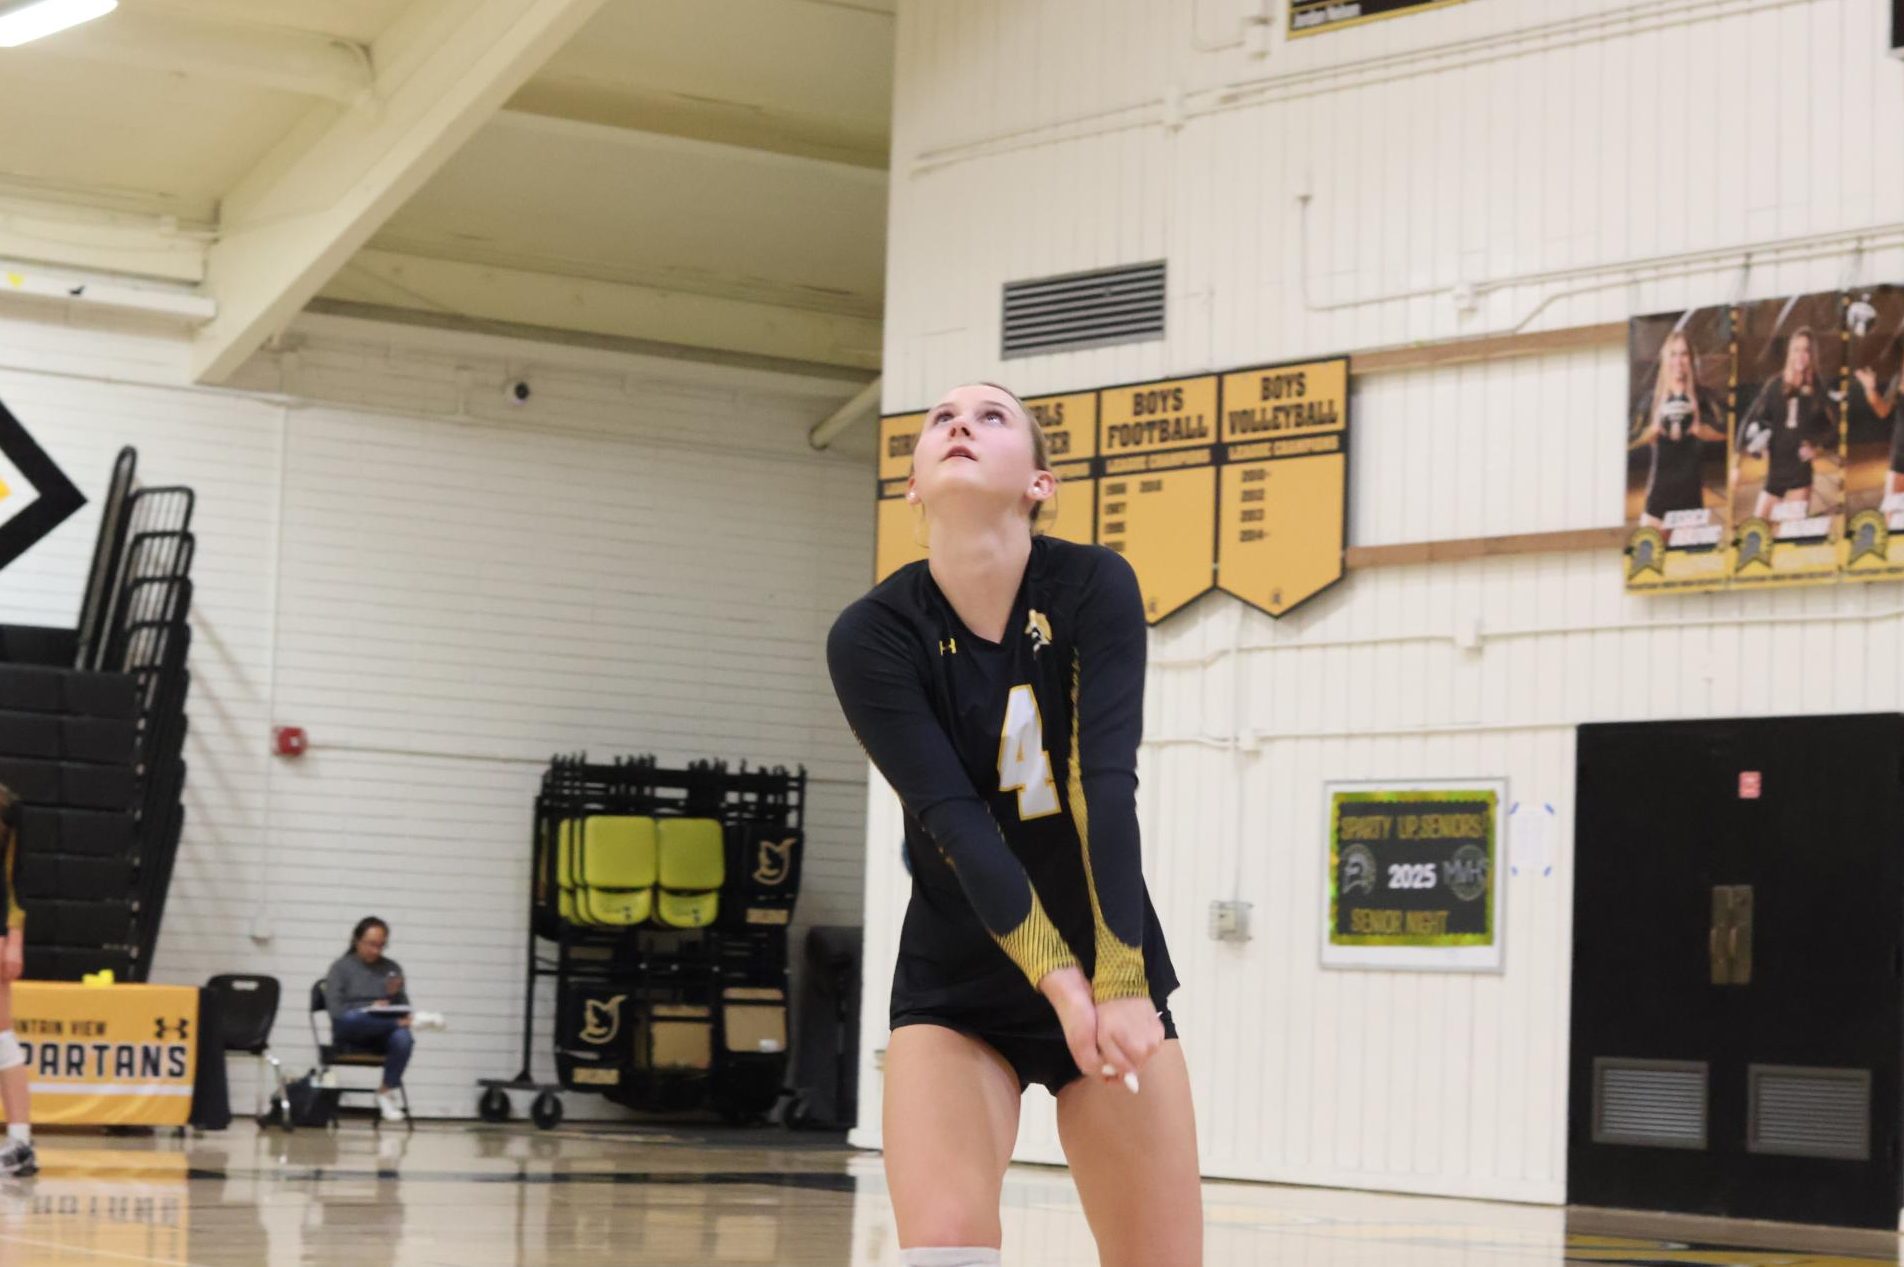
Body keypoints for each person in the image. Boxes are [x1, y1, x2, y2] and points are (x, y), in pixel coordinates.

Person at [827, 383, 1202, 1267]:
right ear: (912, 487)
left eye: (991, 416)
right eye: (940, 420)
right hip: (959, 976)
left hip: (1110, 954)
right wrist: (1063, 990)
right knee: (948, 1246)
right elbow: (956, 825)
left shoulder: (1092, 585)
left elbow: (1103, 787)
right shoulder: (872, 634)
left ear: (1040, 481)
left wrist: (1115, 979)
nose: (959, 423)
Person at [324, 918, 442, 1123]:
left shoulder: (391, 968)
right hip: (351, 1033)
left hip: (381, 1035)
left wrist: (394, 996)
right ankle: (407, 1023)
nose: (376, 951)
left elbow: (404, 1008)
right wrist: (367, 1009)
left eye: (381, 945)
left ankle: (385, 1092)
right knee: (352, 1017)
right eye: (371, 944)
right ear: (357, 941)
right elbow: (336, 1010)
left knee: (403, 1037)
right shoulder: (340, 968)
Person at [1739, 327, 1839, 520]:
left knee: (1790, 535)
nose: (1801, 355)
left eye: (1806, 350)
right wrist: (1754, 449)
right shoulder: (1775, 384)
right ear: (1790, 353)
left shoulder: (1817, 387)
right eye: (1796, 349)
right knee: (1757, 532)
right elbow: (1751, 419)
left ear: (1812, 355)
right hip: (1775, 473)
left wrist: (1816, 446)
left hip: (1800, 474)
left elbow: (1835, 427)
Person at [1632, 329, 1726, 527]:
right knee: (1647, 555)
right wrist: (1652, 431)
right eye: (1673, 354)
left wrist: (1702, 430)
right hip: (1658, 496)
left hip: (1690, 497)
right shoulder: (1652, 400)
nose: (1678, 360)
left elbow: (1727, 432)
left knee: (1689, 557)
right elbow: (1631, 438)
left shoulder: (1704, 397)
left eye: (1683, 354)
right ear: (1666, 359)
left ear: (1691, 359)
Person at [0, 786, 31, 1177]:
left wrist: (14, 938)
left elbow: (16, 878)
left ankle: (21, 1143)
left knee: (1, 1038)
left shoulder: (9, 805)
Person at [1854, 358, 1904, 500]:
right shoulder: (1899, 378)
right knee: (1893, 514)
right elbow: (1882, 410)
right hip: (1900, 456)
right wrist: (1869, 389)